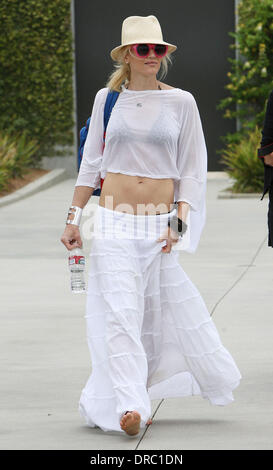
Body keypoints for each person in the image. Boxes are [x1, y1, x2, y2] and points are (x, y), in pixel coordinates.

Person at [60, 15, 242, 437]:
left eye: (159, 49)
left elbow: (193, 169)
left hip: (157, 224)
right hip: (113, 223)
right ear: (126, 55)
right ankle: (131, 407)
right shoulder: (107, 100)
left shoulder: (182, 102)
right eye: (144, 49)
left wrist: (179, 221)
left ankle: (129, 392)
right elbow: (90, 165)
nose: (153, 57)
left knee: (152, 317)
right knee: (121, 315)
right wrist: (73, 219)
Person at [257, 89, 273, 247]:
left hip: (174, 201)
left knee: (175, 245)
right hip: (168, 204)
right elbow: (268, 153)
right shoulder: (181, 99)